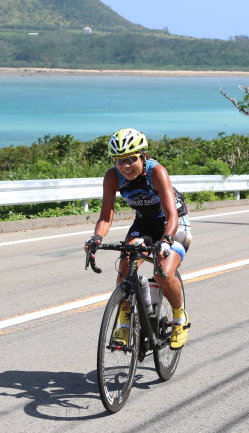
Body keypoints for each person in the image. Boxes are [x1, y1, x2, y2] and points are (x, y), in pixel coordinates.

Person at [85, 128, 192, 349]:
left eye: (131, 159)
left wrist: (165, 240)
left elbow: (172, 215)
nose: (125, 166)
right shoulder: (112, 176)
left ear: (143, 155)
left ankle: (180, 319)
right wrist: (96, 238)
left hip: (174, 223)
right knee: (126, 261)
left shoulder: (156, 171)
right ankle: (124, 321)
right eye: (119, 160)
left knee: (162, 271)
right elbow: (106, 216)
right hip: (145, 223)